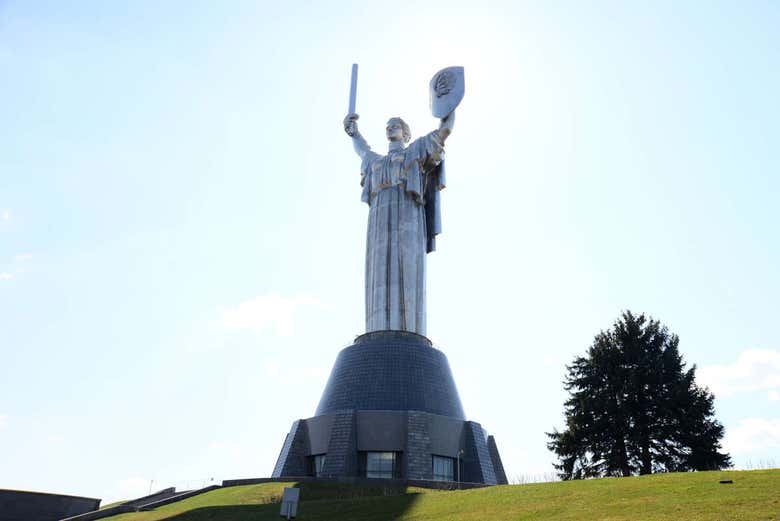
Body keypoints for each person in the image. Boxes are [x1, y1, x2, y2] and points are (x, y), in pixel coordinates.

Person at [343, 111, 455, 336]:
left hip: (408, 214)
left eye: (395, 125)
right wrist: (353, 132)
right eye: (388, 125)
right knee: (379, 271)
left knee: (407, 267)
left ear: (406, 133)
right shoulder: (375, 162)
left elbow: (444, 131)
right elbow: (361, 148)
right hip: (379, 220)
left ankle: (408, 330)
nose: (390, 128)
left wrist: (448, 105)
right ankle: (379, 331)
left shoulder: (415, 151)